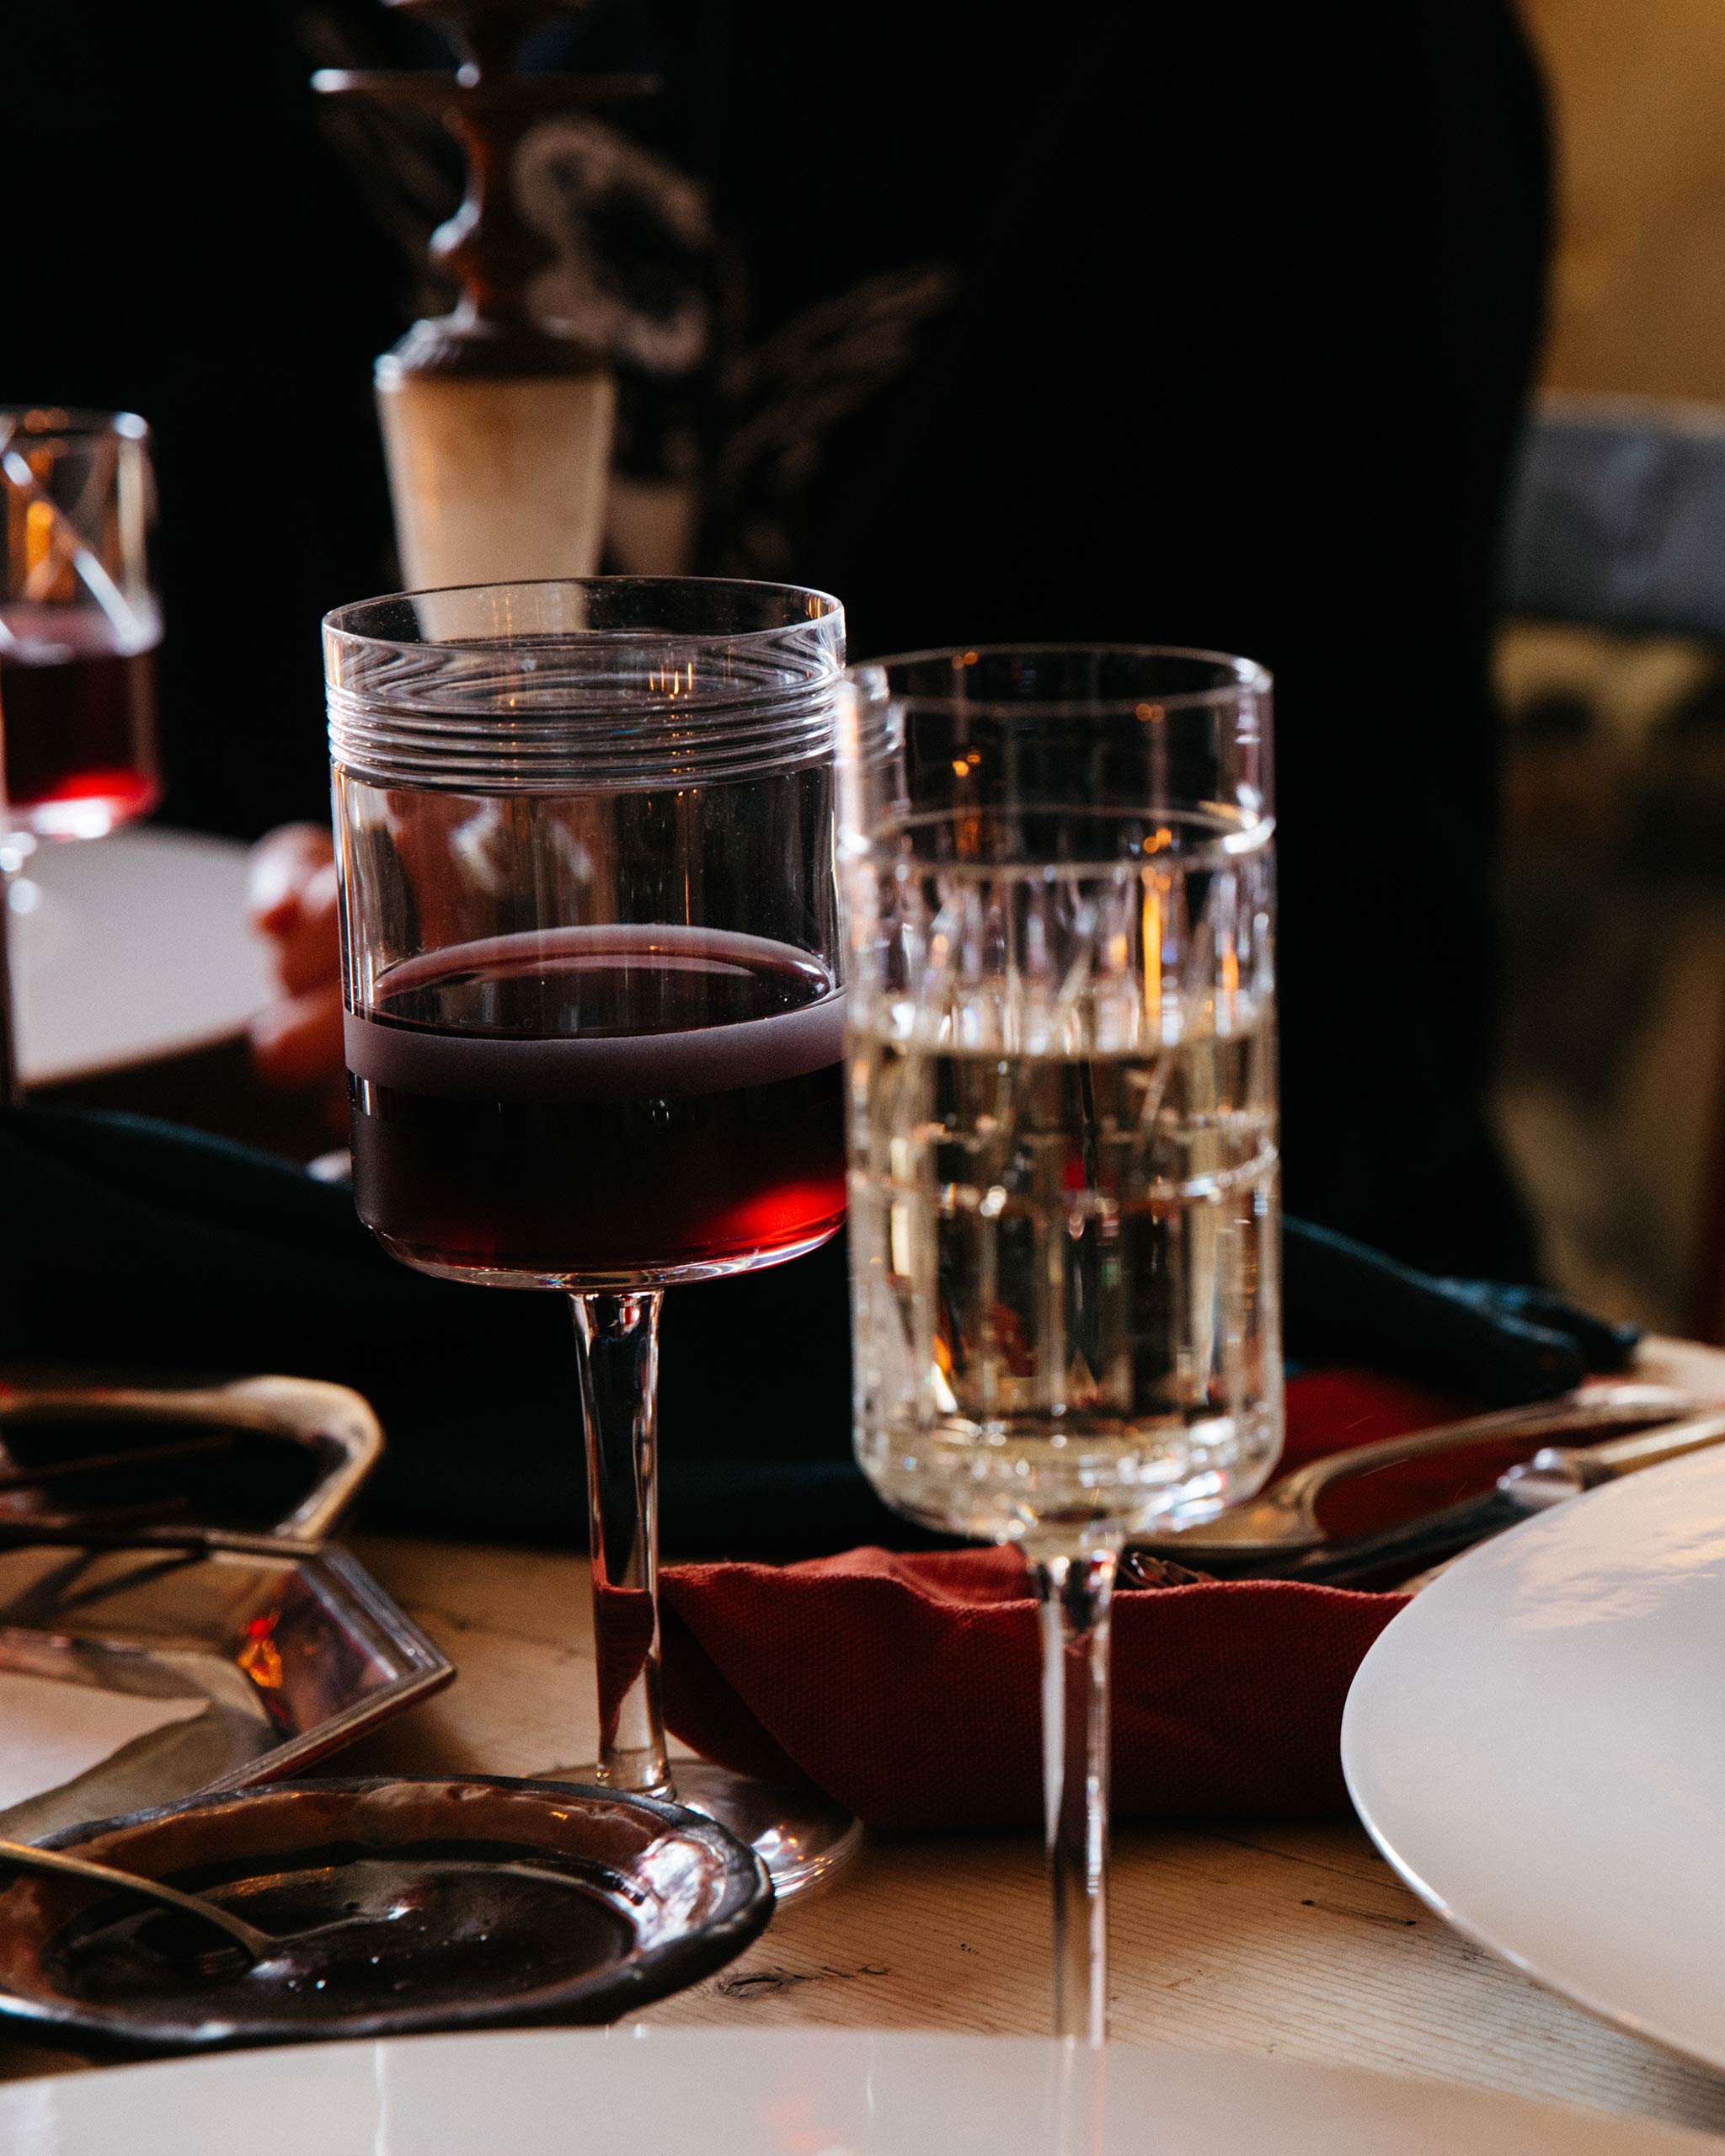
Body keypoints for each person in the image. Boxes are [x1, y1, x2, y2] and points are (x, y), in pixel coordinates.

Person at [236, 0, 1551, 1283]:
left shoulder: (1303, 65)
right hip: (424, 1269)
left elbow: (1345, 981)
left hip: (1158, 1301)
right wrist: (373, 891)